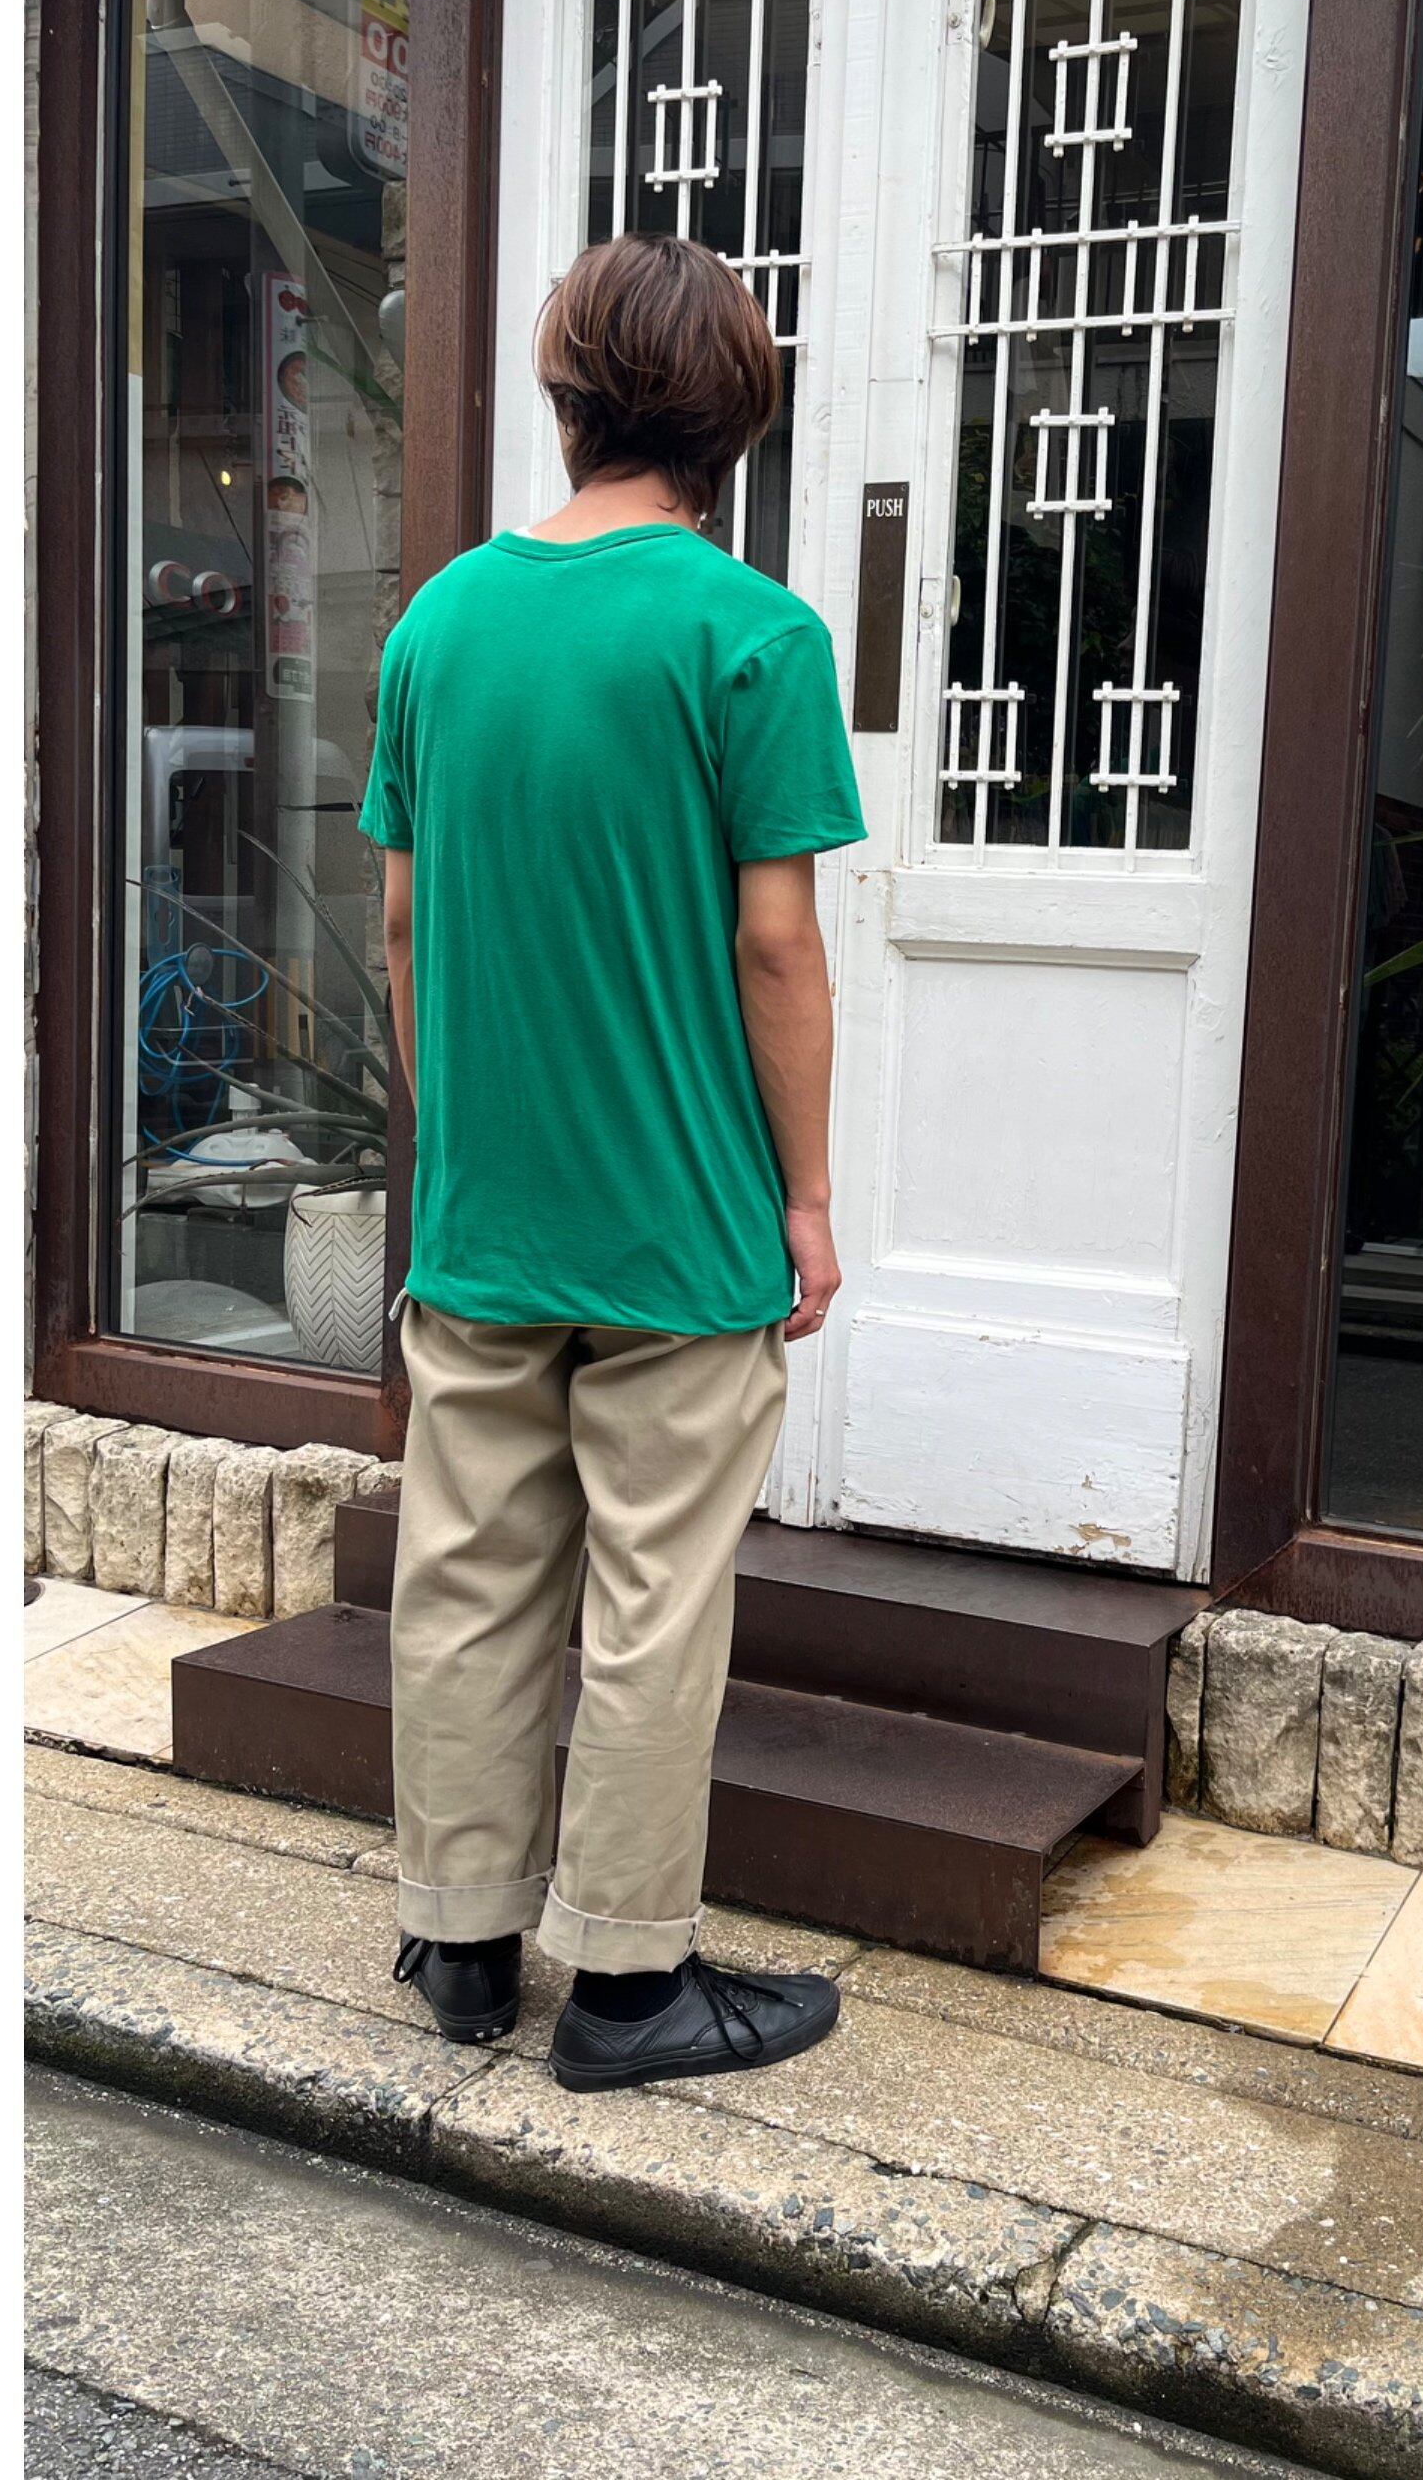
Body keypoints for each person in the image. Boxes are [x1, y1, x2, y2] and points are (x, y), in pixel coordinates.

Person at [358, 232, 863, 2090]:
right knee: (654, 1601)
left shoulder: (436, 626)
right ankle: (633, 1990)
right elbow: (776, 947)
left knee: (467, 1578)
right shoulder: (751, 635)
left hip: (488, 1216)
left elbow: (404, 922)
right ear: (735, 422)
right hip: (676, 1222)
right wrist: (806, 1199)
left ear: (562, 396)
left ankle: (462, 1943)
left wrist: (461, 1145)